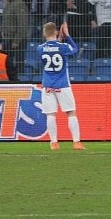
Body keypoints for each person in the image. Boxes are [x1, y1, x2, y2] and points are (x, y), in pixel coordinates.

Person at [38, 21, 85, 150]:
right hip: (62, 84)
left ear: (44, 33)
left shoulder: (40, 48)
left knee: (50, 114)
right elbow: (74, 49)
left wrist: (58, 40)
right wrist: (67, 35)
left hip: (47, 84)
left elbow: (52, 50)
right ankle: (76, 142)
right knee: (71, 112)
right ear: (57, 32)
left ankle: (54, 143)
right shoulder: (63, 47)